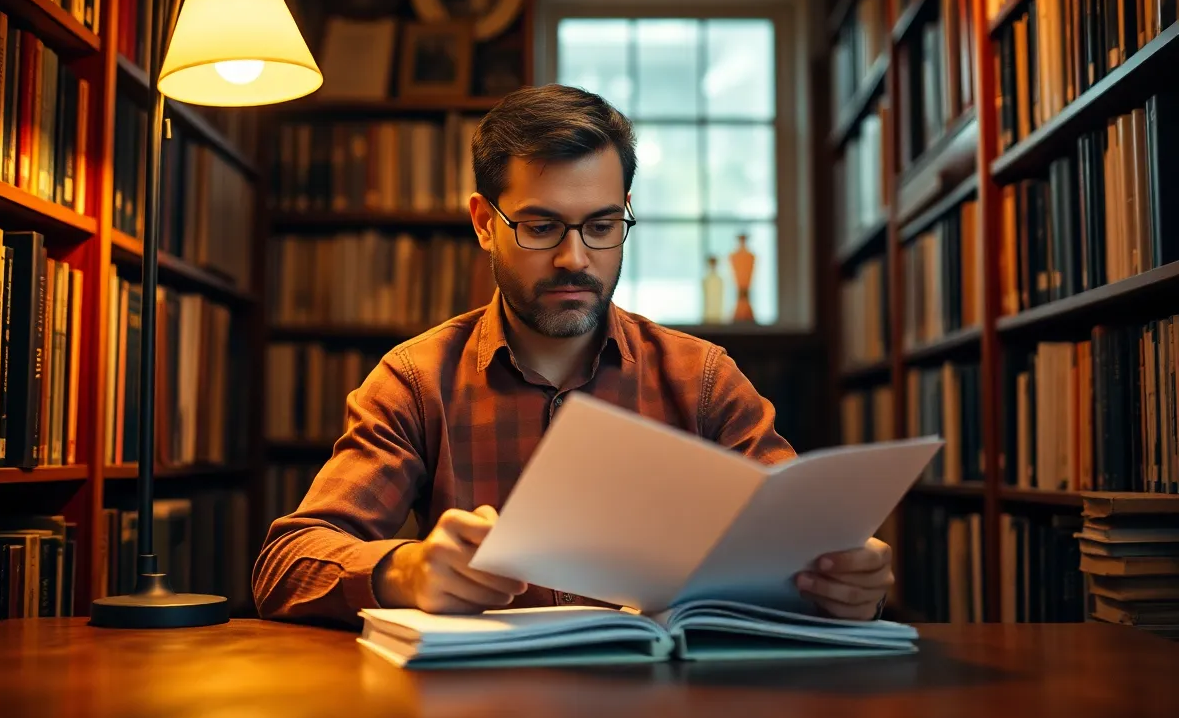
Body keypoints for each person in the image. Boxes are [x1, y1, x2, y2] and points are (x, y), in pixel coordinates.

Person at [252, 84, 894, 628]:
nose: (575, 257)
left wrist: (847, 576)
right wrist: (406, 569)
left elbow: (804, 540)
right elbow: (288, 563)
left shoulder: (701, 379)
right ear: (483, 223)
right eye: (540, 226)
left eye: (602, 225)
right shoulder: (418, 381)